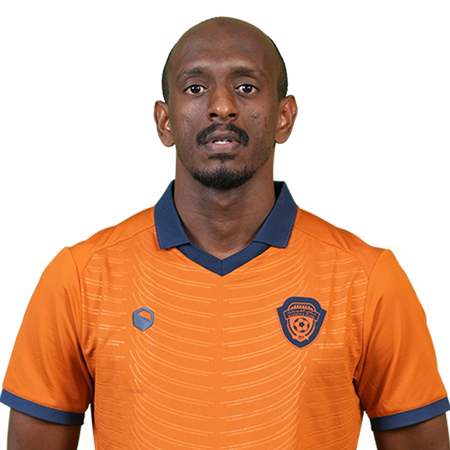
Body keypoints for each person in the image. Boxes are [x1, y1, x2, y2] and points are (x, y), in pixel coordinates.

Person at [1, 13, 449, 450]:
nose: (222, 106)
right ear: (164, 121)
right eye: (195, 88)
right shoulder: (79, 276)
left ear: (284, 116)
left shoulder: (367, 279)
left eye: (246, 87)